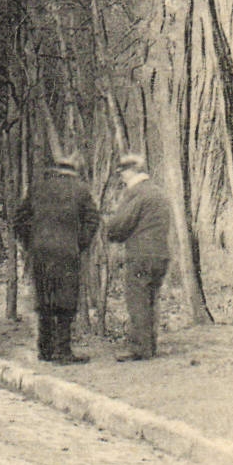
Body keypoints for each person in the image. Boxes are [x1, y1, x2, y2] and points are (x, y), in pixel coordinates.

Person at [13, 155, 99, 364]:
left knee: (44, 301)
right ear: (73, 171)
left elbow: (19, 220)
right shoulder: (80, 190)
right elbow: (92, 219)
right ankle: (62, 351)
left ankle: (44, 349)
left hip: (40, 253)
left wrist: (30, 243)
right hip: (66, 254)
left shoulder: (38, 188)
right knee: (66, 301)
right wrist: (79, 243)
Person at [105, 152, 173, 361]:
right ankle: (149, 346)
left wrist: (110, 227)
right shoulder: (159, 193)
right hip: (160, 254)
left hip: (140, 255)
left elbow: (119, 225)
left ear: (132, 172)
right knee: (151, 300)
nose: (122, 178)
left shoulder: (135, 193)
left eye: (123, 173)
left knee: (137, 300)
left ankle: (140, 349)